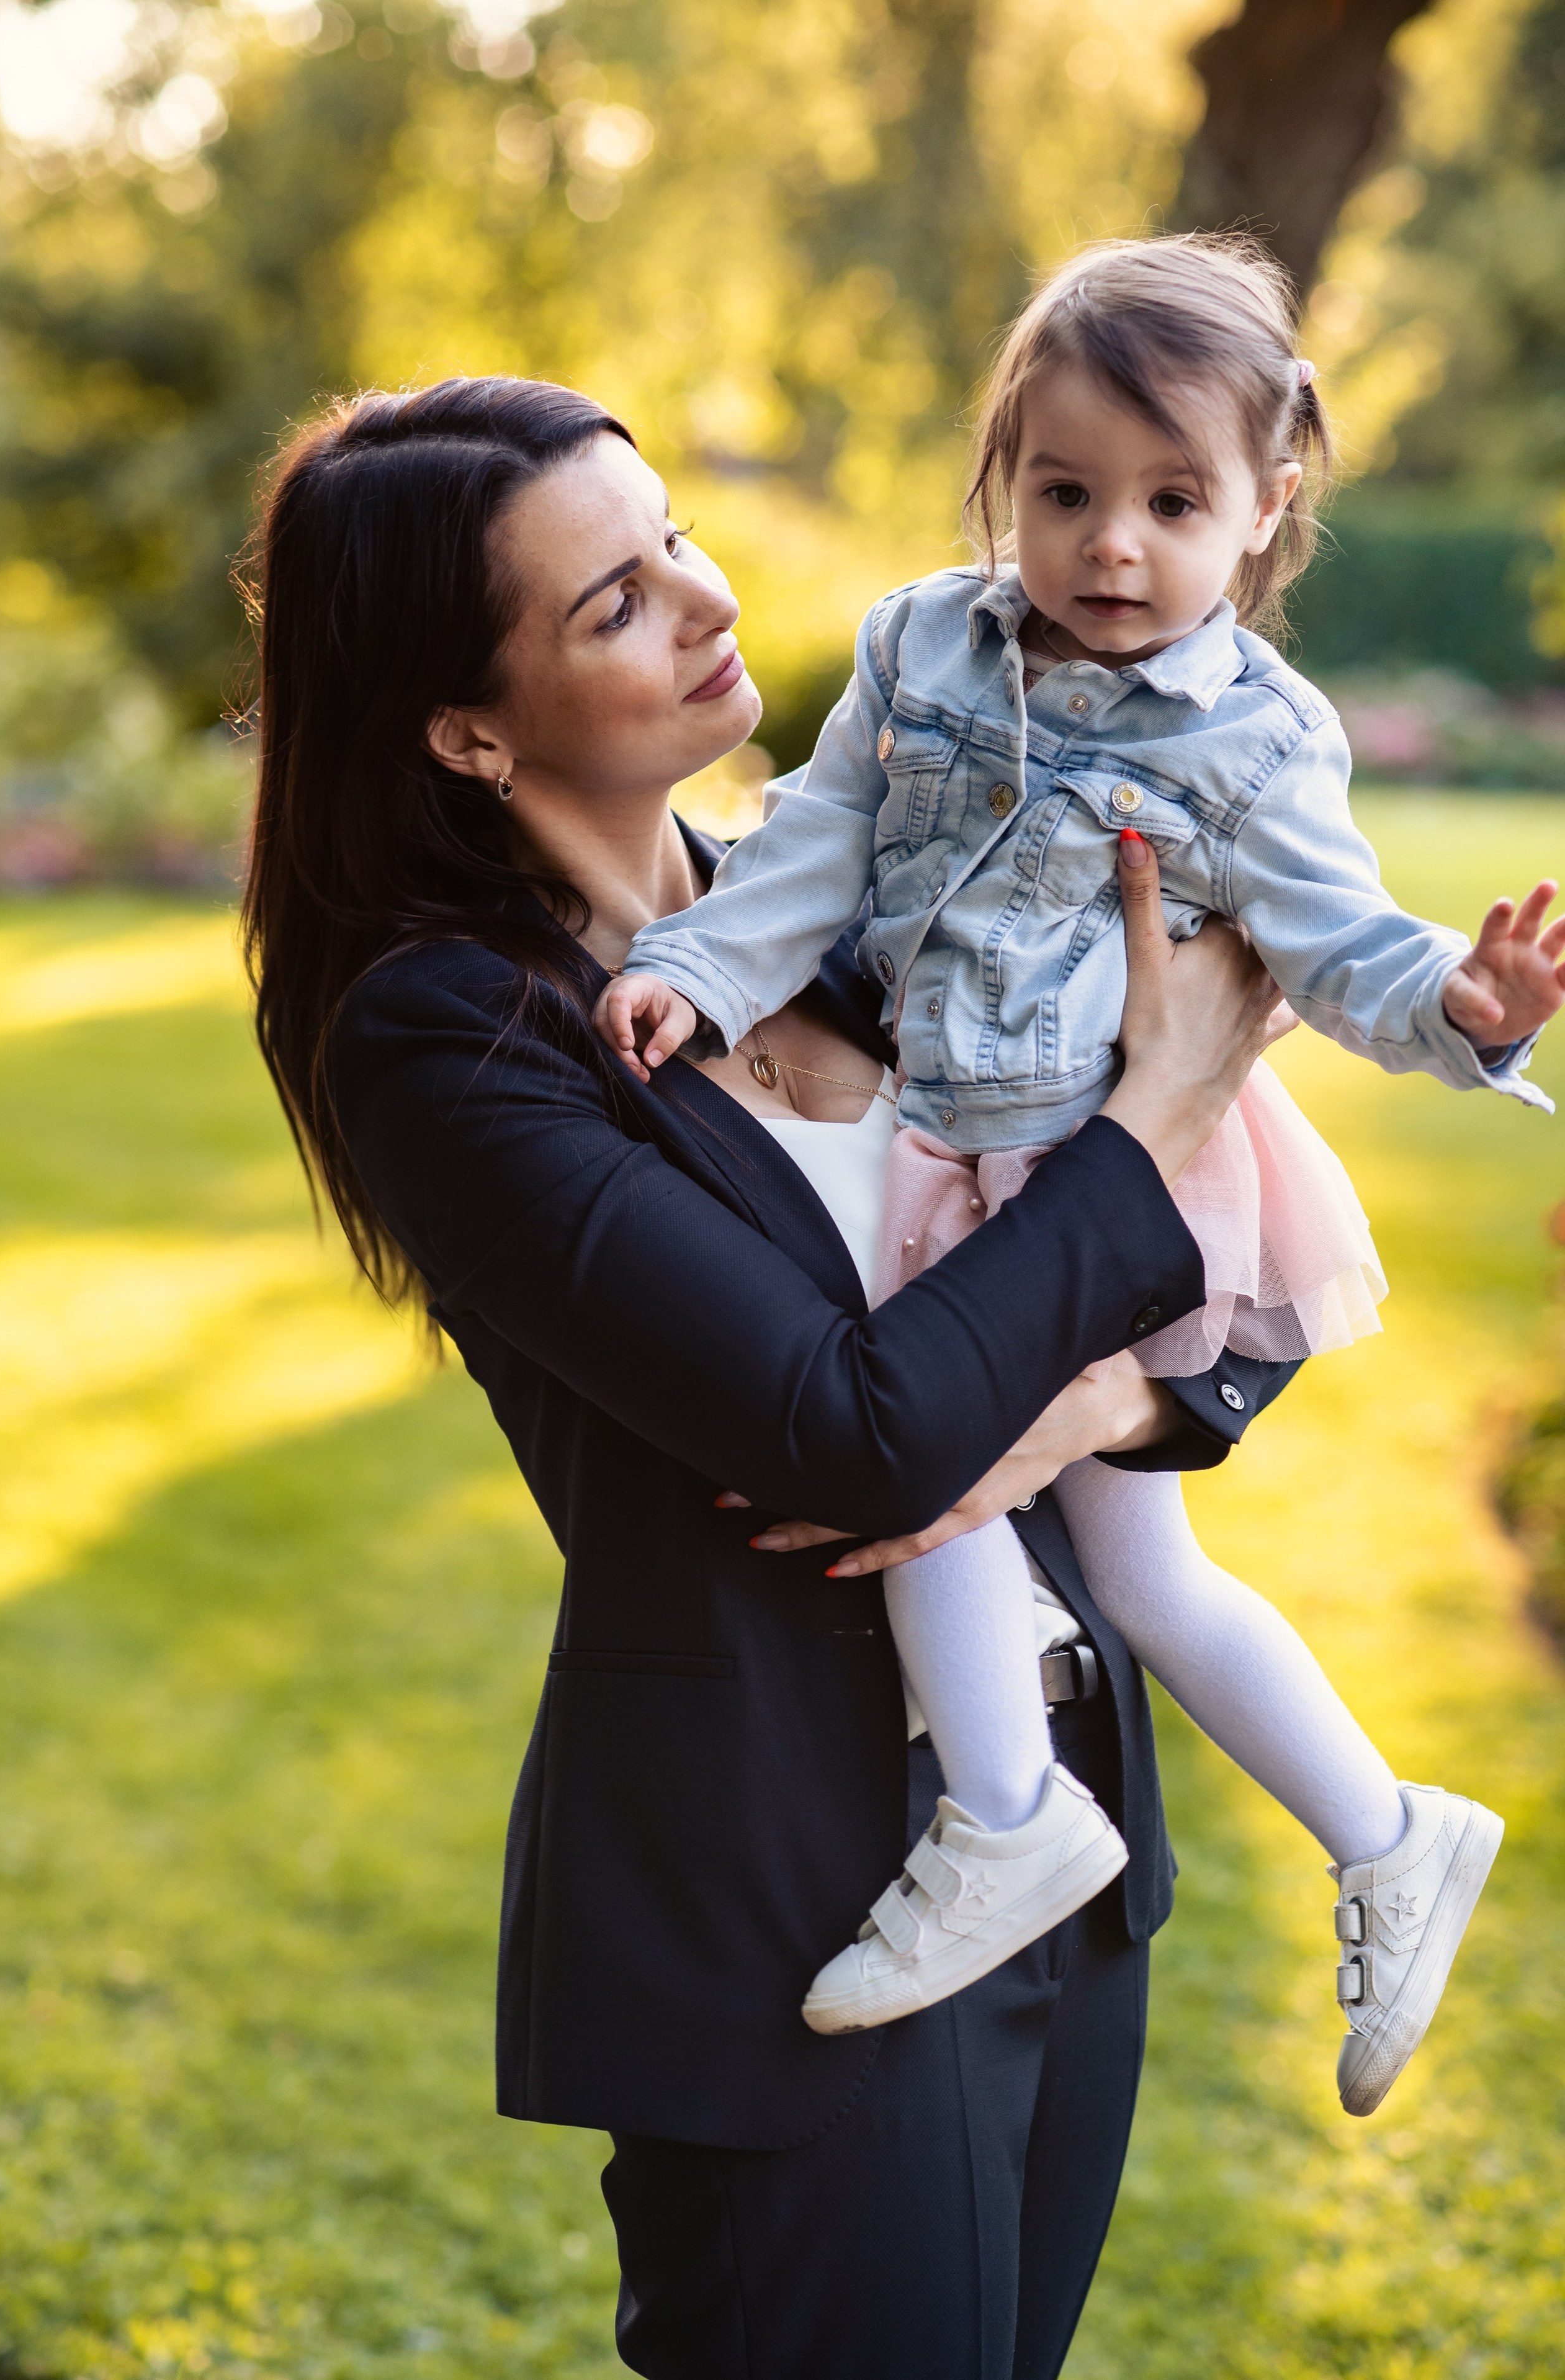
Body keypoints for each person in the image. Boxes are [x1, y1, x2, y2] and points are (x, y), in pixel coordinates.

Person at [240, 372, 1299, 2379]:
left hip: (1066, 1818)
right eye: (613, 606)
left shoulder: (828, 899)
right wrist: (1147, 1124)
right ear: (467, 728)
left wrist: (1096, 1400)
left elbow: (1165, 1321)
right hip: (806, 1902)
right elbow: (858, 1427)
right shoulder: (449, 1042)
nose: (706, 602)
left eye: (677, 543)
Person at [597, 233, 1539, 2113]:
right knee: (1142, 1566)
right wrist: (692, 969)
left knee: (942, 1478)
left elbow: (1343, 951)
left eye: (1175, 502)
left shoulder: (1258, 737)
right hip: (963, 1140)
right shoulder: (919, 646)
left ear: (1268, 508)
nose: (1115, 545)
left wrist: (1472, 1003)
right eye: (1068, 494)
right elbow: (812, 850)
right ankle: (1390, 1826)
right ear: (1003, 480)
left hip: (1114, 1168)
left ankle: (1011, 1815)